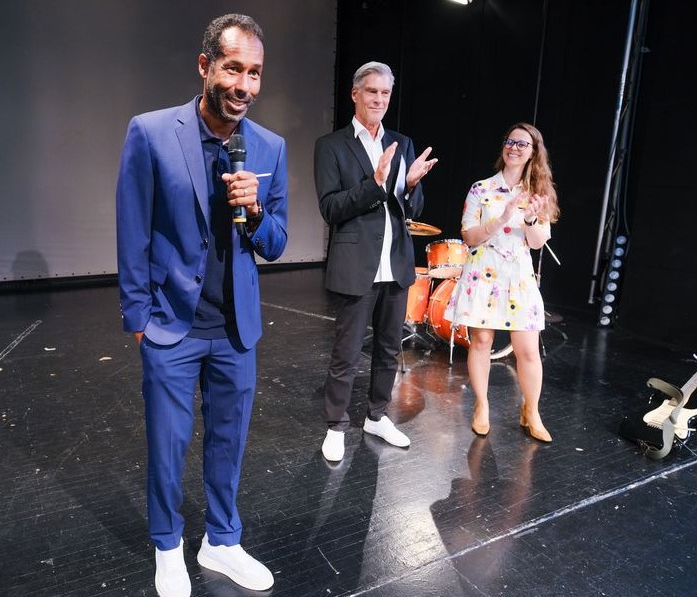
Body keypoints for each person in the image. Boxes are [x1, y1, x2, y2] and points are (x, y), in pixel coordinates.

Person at [115, 14, 287, 597]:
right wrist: (137, 318)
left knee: (229, 440)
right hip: (172, 326)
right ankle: (167, 546)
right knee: (168, 442)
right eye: (234, 68)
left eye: (255, 73)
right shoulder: (152, 132)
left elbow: (277, 242)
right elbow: (133, 229)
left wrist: (258, 211)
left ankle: (222, 540)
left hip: (236, 328)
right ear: (205, 66)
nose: (244, 85)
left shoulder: (268, 147)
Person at [314, 61, 438, 463]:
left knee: (389, 350)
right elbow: (331, 208)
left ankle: (377, 415)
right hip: (356, 265)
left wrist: (412, 185)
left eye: (385, 94)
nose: (379, 100)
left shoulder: (403, 142)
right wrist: (376, 184)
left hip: (396, 264)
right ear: (355, 94)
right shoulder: (331, 145)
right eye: (372, 92)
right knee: (346, 352)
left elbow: (410, 211)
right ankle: (336, 424)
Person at [443, 122, 560, 443]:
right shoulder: (481, 189)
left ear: (533, 153)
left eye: (522, 144)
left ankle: (531, 411)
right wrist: (502, 217)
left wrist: (532, 218)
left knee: (528, 351)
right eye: (510, 142)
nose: (514, 148)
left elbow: (537, 243)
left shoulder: (539, 194)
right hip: (483, 275)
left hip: (518, 279)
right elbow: (469, 237)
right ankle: (481, 406)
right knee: (481, 343)